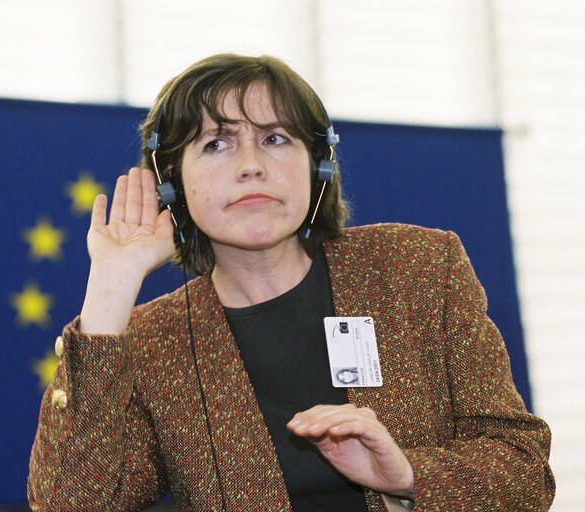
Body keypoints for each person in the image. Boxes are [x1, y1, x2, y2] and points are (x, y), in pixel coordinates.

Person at [28, 54, 555, 511]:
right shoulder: (154, 340)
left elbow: (525, 473)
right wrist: (111, 288)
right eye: (216, 144)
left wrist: (406, 478)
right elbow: (72, 502)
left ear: (317, 166)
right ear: (171, 184)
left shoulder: (418, 267)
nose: (252, 166)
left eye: (276, 138)